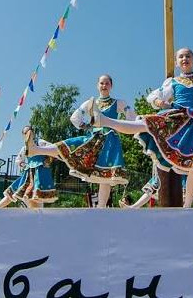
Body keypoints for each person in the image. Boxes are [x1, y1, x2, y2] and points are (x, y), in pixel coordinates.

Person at [34, 48, 193, 208]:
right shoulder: (172, 82)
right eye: (181, 56)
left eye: (188, 56)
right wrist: (159, 102)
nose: (184, 59)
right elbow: (155, 97)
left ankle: (187, 207)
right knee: (145, 124)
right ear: (177, 61)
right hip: (176, 118)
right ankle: (104, 121)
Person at [24, 75, 134, 207]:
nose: (104, 86)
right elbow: (74, 118)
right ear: (97, 85)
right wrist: (86, 126)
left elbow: (131, 118)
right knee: (69, 146)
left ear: (111, 86)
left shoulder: (119, 103)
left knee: (106, 176)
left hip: (110, 141)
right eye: (101, 83)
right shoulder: (90, 103)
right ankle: (36, 149)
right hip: (93, 138)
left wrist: (120, 126)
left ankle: (101, 208)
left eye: (107, 83)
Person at [0, 140, 58, 208]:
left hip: (40, 172)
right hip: (28, 173)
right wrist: (23, 164)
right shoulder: (25, 148)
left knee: (36, 197)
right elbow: (18, 159)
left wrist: (48, 158)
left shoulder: (42, 143)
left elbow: (54, 149)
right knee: (13, 190)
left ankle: (33, 211)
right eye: (25, 134)